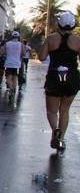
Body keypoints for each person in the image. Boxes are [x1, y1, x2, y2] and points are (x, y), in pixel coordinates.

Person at [38, 12, 80, 151]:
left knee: (51, 111)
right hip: (72, 78)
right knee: (65, 110)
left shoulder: (51, 39)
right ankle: (61, 138)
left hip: (54, 78)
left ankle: (55, 131)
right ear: (73, 25)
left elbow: (42, 57)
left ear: (59, 24)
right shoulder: (78, 40)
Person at [2, 30, 24, 98]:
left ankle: (11, 88)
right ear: (18, 37)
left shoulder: (7, 43)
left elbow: (2, 51)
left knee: (8, 77)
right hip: (17, 64)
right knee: (15, 77)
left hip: (8, 63)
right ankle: (13, 90)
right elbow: (24, 53)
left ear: (12, 36)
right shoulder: (21, 44)